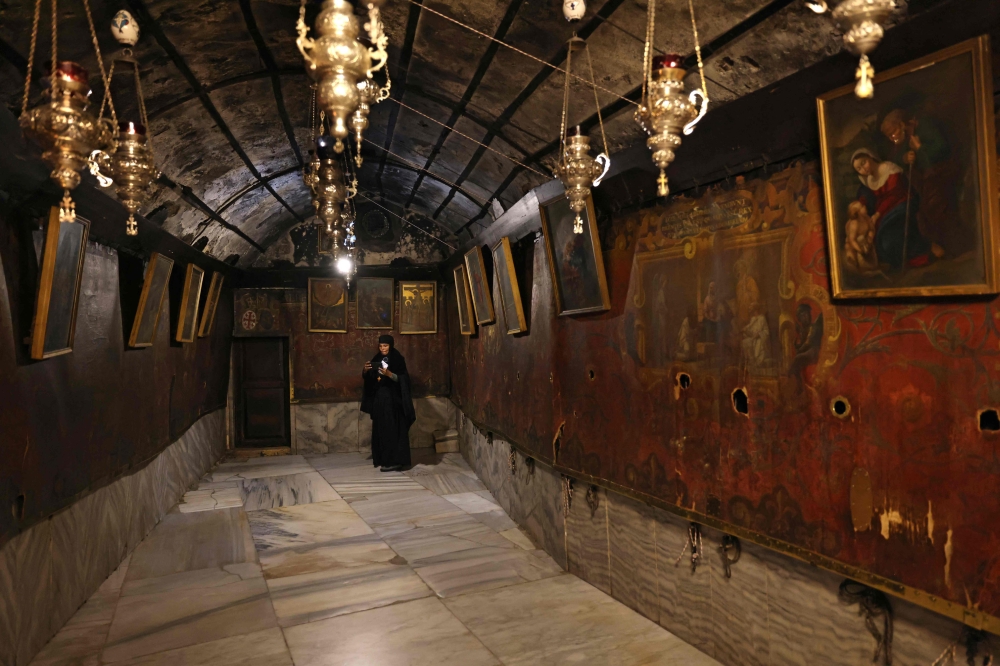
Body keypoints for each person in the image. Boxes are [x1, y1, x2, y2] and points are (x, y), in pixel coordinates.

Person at [361, 335, 415, 471]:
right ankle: (383, 458)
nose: (382, 348)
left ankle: (395, 461)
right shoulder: (377, 358)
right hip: (380, 402)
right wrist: (366, 371)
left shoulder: (397, 359)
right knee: (381, 429)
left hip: (394, 403)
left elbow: (404, 379)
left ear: (390, 345)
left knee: (392, 430)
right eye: (380, 346)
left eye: (385, 346)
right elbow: (372, 379)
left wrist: (390, 374)